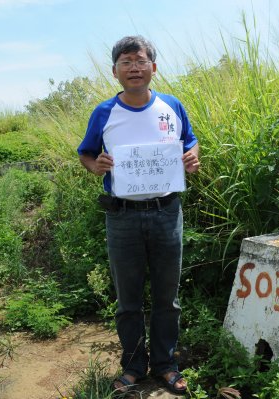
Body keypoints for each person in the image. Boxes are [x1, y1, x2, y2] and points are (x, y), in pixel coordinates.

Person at [77, 35, 199, 396]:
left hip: (166, 211)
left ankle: (165, 365)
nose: (134, 67)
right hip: (123, 217)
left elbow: (189, 142)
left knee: (168, 296)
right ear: (115, 72)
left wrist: (193, 157)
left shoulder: (171, 105)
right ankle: (133, 366)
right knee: (127, 299)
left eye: (140, 60)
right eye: (126, 62)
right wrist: (96, 166)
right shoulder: (104, 112)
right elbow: (86, 154)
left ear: (153, 68)